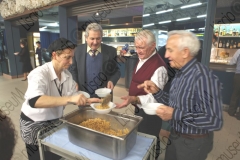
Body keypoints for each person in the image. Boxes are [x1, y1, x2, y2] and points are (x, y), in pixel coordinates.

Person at [138, 30, 223, 160]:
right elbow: (174, 103)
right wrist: (157, 92)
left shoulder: (203, 77)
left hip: (193, 143)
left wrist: (174, 114)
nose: (166, 55)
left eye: (170, 50)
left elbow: (214, 121)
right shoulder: (179, 74)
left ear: (185, 52)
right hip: (175, 136)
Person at [19, 38, 101, 160]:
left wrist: (88, 101)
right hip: (34, 123)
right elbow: (34, 101)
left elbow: (73, 94)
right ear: (54, 55)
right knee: (38, 156)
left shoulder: (66, 75)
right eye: (67, 57)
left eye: (72, 57)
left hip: (54, 121)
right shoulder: (39, 73)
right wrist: (69, 99)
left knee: (54, 155)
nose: (71, 62)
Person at [116, 30, 168, 159]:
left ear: (153, 46)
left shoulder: (159, 67)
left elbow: (155, 97)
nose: (138, 51)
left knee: (150, 138)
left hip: (151, 113)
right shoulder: (143, 58)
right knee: (140, 136)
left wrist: (134, 98)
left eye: (142, 47)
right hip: (139, 108)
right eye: (136, 47)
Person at [69, 23, 120, 98]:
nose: (95, 42)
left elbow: (116, 71)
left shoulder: (111, 51)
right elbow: (73, 70)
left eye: (98, 38)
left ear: (101, 37)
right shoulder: (77, 51)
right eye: (92, 39)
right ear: (86, 37)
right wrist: (75, 81)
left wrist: (112, 80)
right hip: (84, 96)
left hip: (104, 95)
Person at [227, 49, 240, 120]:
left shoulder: (239, 51)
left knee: (235, 94)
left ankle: (231, 111)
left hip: (238, 75)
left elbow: (232, 62)